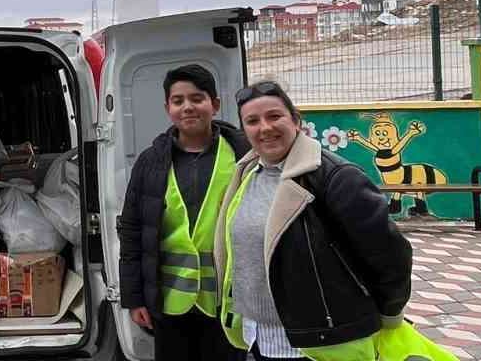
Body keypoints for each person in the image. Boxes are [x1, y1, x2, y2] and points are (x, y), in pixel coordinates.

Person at [214, 81, 412, 360]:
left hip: (320, 342)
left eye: (274, 116)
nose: (265, 127)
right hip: (256, 335)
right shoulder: (246, 173)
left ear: (296, 121)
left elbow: (390, 255)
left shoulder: (335, 177)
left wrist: (389, 315)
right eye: (253, 121)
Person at [116, 64, 250, 361]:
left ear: (214, 104)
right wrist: (134, 298)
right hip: (169, 304)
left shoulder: (243, 155)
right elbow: (132, 230)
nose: (188, 107)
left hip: (227, 303)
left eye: (197, 98)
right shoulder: (150, 162)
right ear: (168, 108)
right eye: (178, 101)